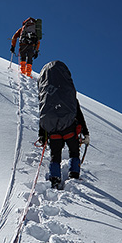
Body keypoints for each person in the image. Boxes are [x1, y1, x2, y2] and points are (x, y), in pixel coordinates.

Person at [36, 60, 90, 189]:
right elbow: (78, 113)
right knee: (74, 151)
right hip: (69, 128)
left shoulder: (47, 96)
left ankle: (55, 178)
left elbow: (43, 115)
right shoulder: (68, 95)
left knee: (55, 155)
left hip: (53, 130)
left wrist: (42, 135)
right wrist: (85, 132)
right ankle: (74, 174)